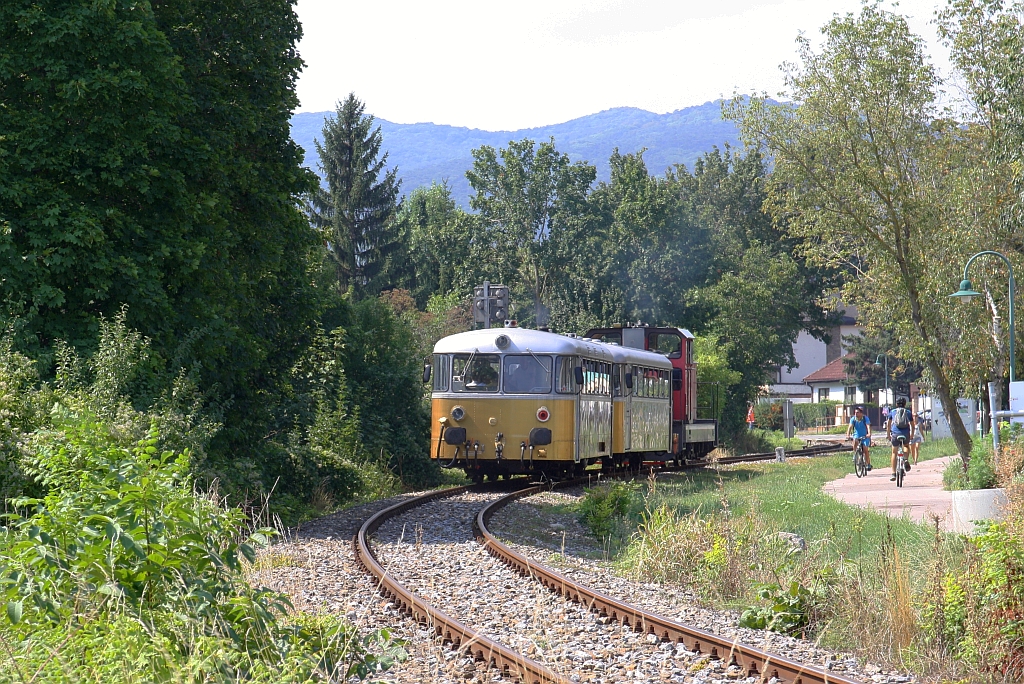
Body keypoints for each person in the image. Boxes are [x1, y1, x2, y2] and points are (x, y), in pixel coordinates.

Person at [887, 397, 915, 481]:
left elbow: (888, 424)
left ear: (896, 404)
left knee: (894, 453)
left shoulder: (892, 412)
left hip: (895, 434)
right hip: (905, 434)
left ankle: (893, 473)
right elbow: (913, 425)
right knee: (906, 446)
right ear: (905, 404)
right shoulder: (908, 412)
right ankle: (905, 459)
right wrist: (911, 435)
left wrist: (888, 434)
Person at [846, 406, 873, 471]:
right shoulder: (853, 419)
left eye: (857, 412)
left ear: (861, 413)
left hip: (865, 436)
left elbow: (868, 426)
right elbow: (850, 427)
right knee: (855, 441)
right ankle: (855, 454)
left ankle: (868, 464)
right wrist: (848, 435)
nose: (856, 414)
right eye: (855, 412)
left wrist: (869, 434)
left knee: (865, 449)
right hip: (857, 435)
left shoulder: (865, 418)